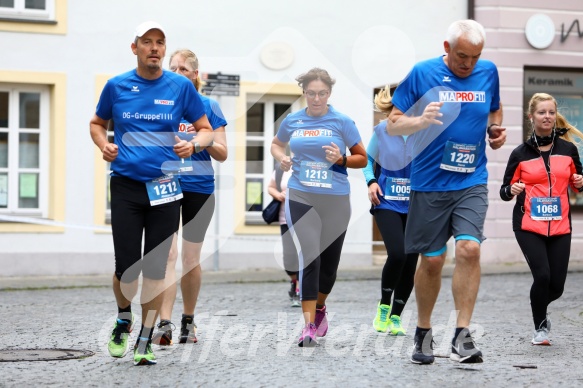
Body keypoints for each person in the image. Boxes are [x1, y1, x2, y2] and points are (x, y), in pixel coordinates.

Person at [89, 21, 213, 366]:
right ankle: (123, 317)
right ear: (135, 48)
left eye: (160, 42)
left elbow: (206, 131)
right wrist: (104, 144)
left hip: (165, 189)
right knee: (126, 268)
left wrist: (193, 144)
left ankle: (144, 340)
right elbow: (97, 123)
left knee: (157, 269)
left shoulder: (179, 87)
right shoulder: (116, 86)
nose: (155, 48)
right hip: (127, 186)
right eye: (148, 42)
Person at [387, 19, 507, 364]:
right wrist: (420, 121)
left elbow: (494, 108)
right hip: (430, 182)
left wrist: (496, 129)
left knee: (469, 249)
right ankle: (423, 331)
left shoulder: (488, 72)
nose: (468, 64)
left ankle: (462, 335)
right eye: (462, 56)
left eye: (475, 56)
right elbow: (394, 124)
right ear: (446, 48)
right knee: (433, 260)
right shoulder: (422, 73)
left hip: (471, 178)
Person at [271, 67, 367, 347]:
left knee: (329, 266)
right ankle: (308, 325)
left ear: (329, 94)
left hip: (335, 199)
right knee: (310, 256)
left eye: (322, 93)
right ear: (304, 93)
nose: (316, 98)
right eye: (311, 93)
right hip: (301, 194)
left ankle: (321, 307)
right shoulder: (293, 120)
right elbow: (276, 145)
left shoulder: (342, 121)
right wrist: (283, 158)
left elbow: (363, 158)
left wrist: (341, 159)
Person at [152, 49, 228, 346]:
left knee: (190, 257)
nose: (177, 72)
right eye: (173, 68)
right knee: (167, 255)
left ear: (195, 74)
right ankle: (164, 323)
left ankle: (188, 320)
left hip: (199, 187)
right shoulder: (159, 106)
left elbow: (222, 153)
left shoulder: (208, 106)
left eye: (183, 68)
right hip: (166, 184)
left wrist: (199, 140)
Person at [500, 93, 583, 345]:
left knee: (556, 286)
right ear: (531, 117)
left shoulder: (569, 150)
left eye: (550, 112)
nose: (546, 116)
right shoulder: (520, 154)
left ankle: (538, 305)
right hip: (528, 224)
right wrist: (511, 190)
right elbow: (504, 190)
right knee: (543, 276)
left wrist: (580, 182)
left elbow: (579, 185)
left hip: (560, 225)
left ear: (554, 116)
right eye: (541, 112)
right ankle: (541, 327)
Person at [364, 86, 418, 335]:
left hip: (416, 204)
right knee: (397, 253)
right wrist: (371, 181)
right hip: (386, 201)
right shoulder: (381, 130)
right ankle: (384, 307)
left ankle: (396, 317)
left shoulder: (423, 131)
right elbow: (366, 159)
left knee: (410, 262)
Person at [267, 163, 300, 307]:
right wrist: (279, 195)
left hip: (306, 218)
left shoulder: (312, 165)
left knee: (303, 255)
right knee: (289, 257)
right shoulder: (284, 168)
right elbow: (270, 187)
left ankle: (300, 289)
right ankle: (294, 281)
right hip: (285, 219)